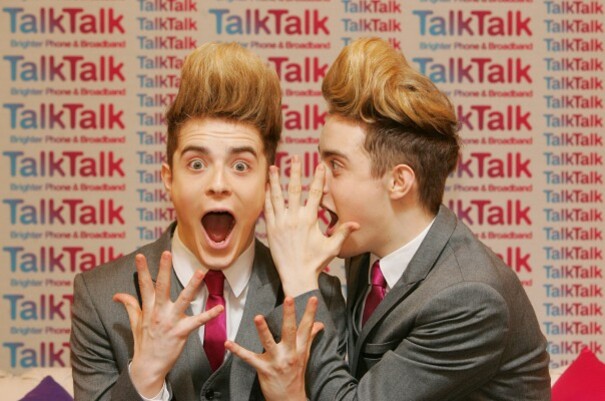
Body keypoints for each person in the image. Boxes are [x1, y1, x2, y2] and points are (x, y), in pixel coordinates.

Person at [226, 37, 551, 400]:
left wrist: (301, 280)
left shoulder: (469, 299)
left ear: (398, 182)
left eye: (336, 166)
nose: (319, 184)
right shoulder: (368, 251)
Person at [69, 42, 346, 401]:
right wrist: (145, 376)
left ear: (267, 184)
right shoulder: (99, 297)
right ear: (169, 179)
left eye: (241, 166)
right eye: (197, 164)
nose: (218, 184)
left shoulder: (317, 297)